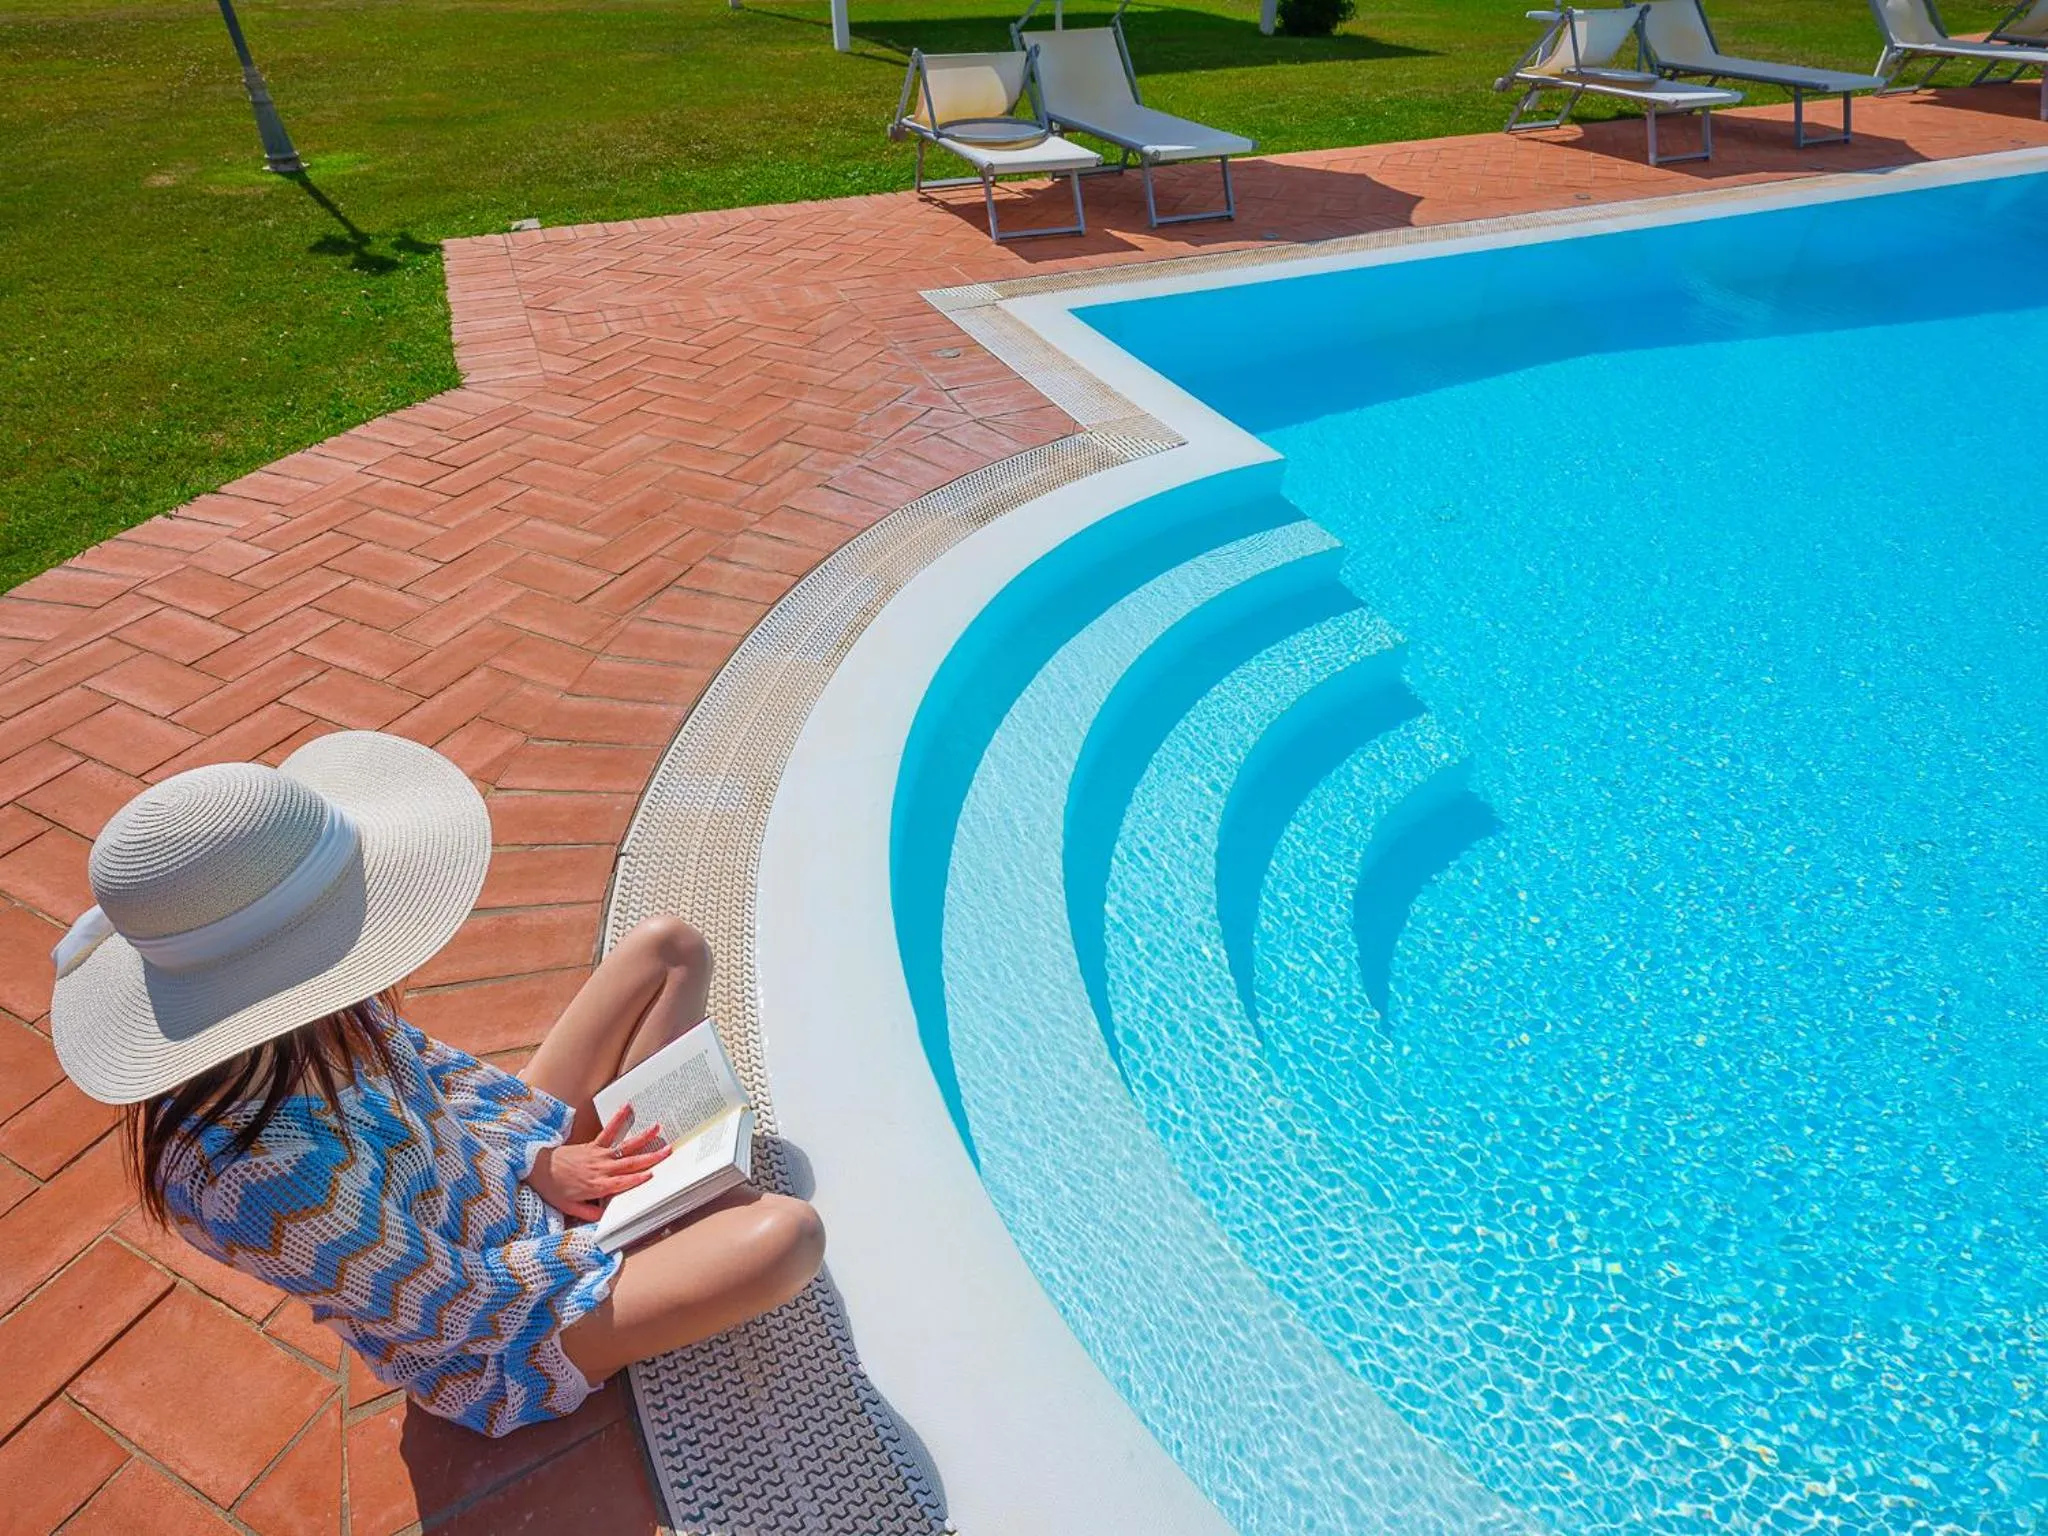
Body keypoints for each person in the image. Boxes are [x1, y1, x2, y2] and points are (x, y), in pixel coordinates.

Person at [48, 729, 824, 1438]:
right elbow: (455, 1307)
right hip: (503, 1331)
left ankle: (669, 1206)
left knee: (670, 950)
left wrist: (536, 1163)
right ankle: (668, 1219)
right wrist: (612, 1232)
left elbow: (442, 1076)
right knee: (787, 1239)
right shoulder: (253, 1177)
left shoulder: (316, 1015)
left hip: (501, 1179)